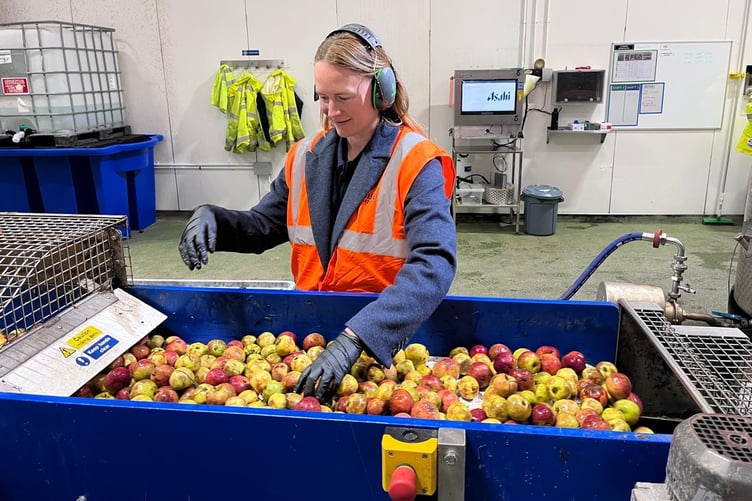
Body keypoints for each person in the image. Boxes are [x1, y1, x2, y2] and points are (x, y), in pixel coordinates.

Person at [178, 23, 457, 401]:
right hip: (315, 332)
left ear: (382, 92)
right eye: (323, 98)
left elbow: (434, 263)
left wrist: (357, 338)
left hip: (382, 341)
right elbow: (263, 226)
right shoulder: (304, 157)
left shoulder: (416, 161)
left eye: (343, 97)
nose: (331, 111)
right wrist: (215, 219)